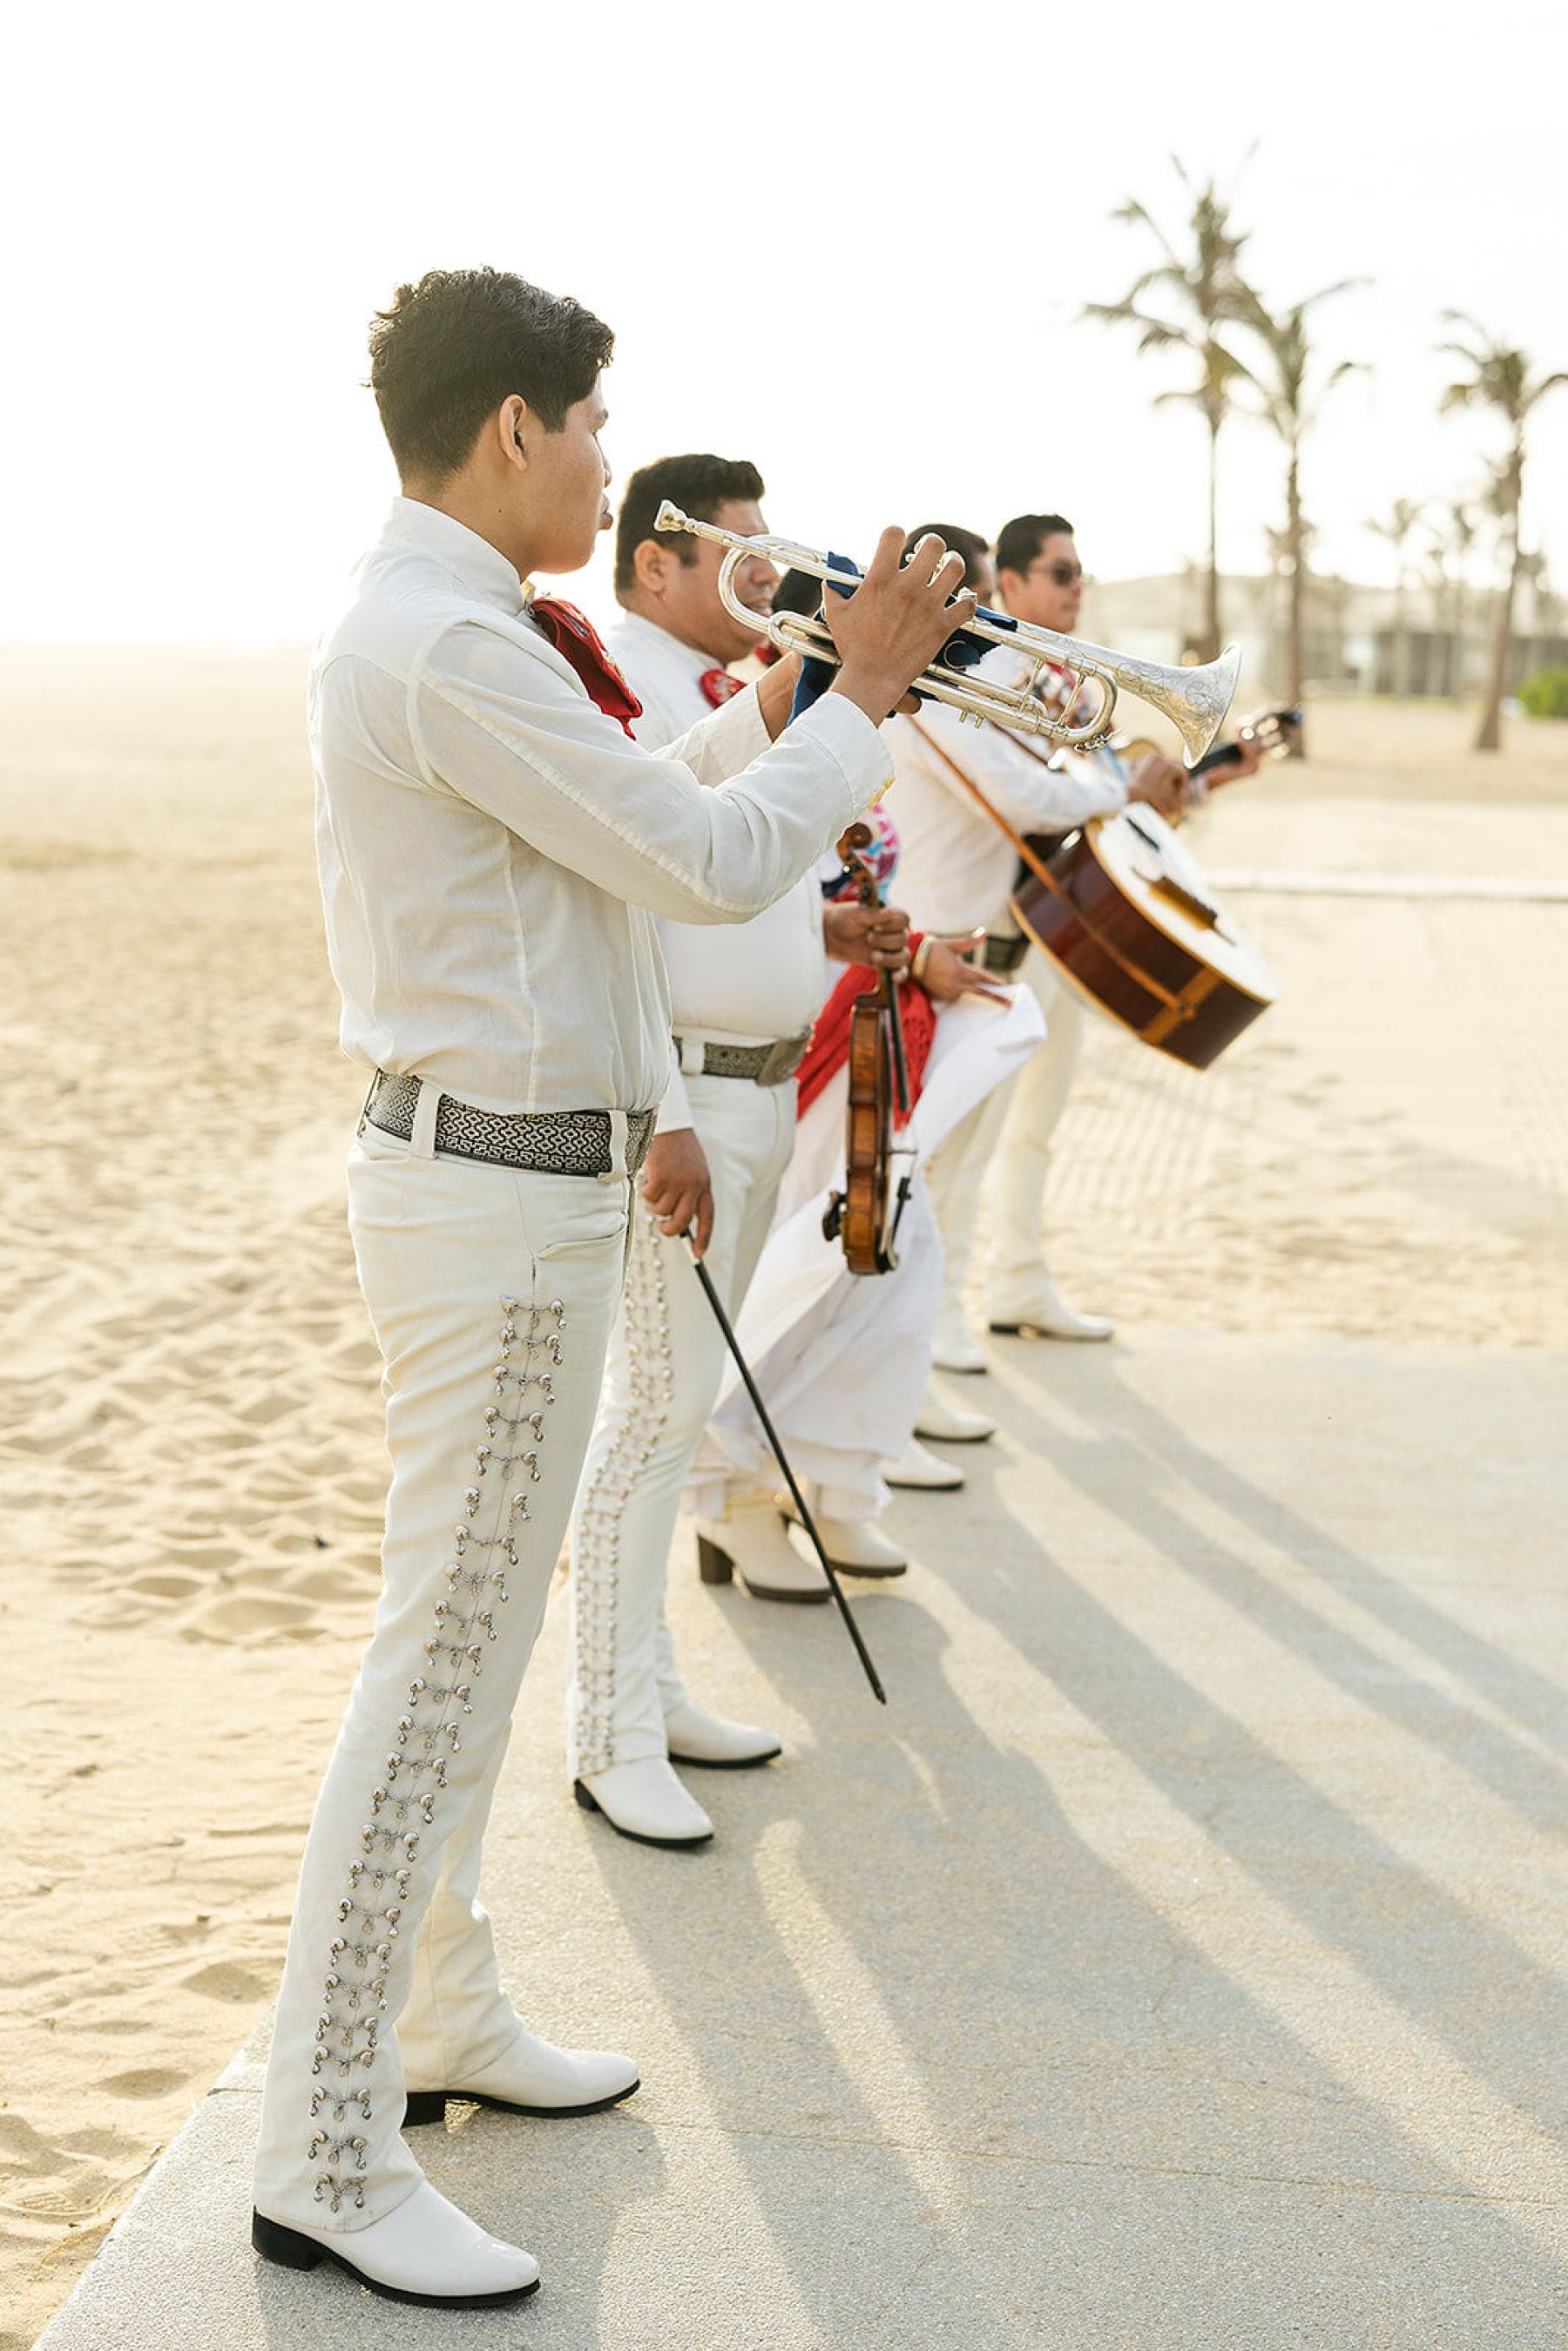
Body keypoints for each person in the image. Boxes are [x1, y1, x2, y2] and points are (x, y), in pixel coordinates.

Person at [249, 266, 975, 2309]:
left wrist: (825, 702)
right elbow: (712, 861)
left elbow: (607, 888)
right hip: (484, 1209)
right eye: (586, 428)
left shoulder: (469, 629)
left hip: (527, 1190)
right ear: (514, 431)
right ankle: (324, 2152)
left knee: (467, 1660)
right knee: (433, 1673)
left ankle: (445, 2006)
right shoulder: (444, 645)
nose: (600, 460)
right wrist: (864, 696)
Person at [566, 453, 914, 1853]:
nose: (768, 579)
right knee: (647, 1416)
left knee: (673, 1406)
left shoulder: (706, 686)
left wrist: (827, 934)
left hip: (752, 1087)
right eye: (739, 553)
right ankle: (608, 1730)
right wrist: (676, 1117)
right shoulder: (634, 686)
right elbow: (620, 908)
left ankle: (648, 1685)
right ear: (658, 562)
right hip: (694, 1100)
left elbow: (725, 884)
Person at [695, 528, 1044, 1582]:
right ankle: (738, 1499)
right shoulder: (768, 722)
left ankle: (834, 1482)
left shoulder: (847, 725)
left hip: (863, 1019)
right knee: (812, 1270)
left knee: (886, 1264)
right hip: (800, 1042)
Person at [887, 511, 1185, 1368]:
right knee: (935, 1160)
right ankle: (926, 1341)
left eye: (979, 588)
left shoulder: (978, 682)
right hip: (938, 948)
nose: (981, 606)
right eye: (967, 589)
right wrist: (1117, 781)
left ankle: (943, 1329)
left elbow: (1071, 774)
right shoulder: (936, 690)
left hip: (991, 941)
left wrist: (1105, 770)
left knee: (967, 1153)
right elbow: (1029, 795)